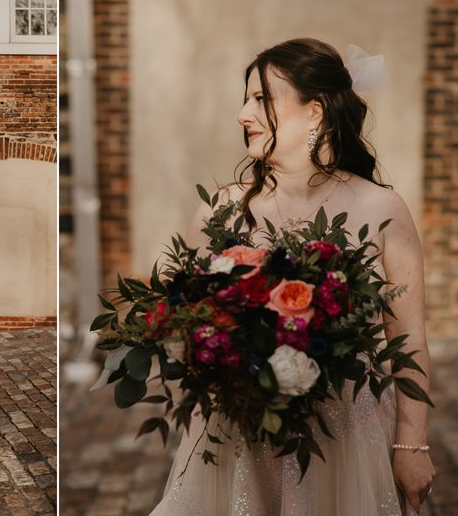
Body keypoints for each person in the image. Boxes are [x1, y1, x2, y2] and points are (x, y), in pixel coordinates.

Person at [150, 39, 434, 515]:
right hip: (237, 443)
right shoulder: (219, 211)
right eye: (245, 100)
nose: (243, 114)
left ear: (315, 112)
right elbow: (186, 334)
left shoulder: (382, 209)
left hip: (344, 446)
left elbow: (409, 340)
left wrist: (412, 445)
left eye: (261, 100)